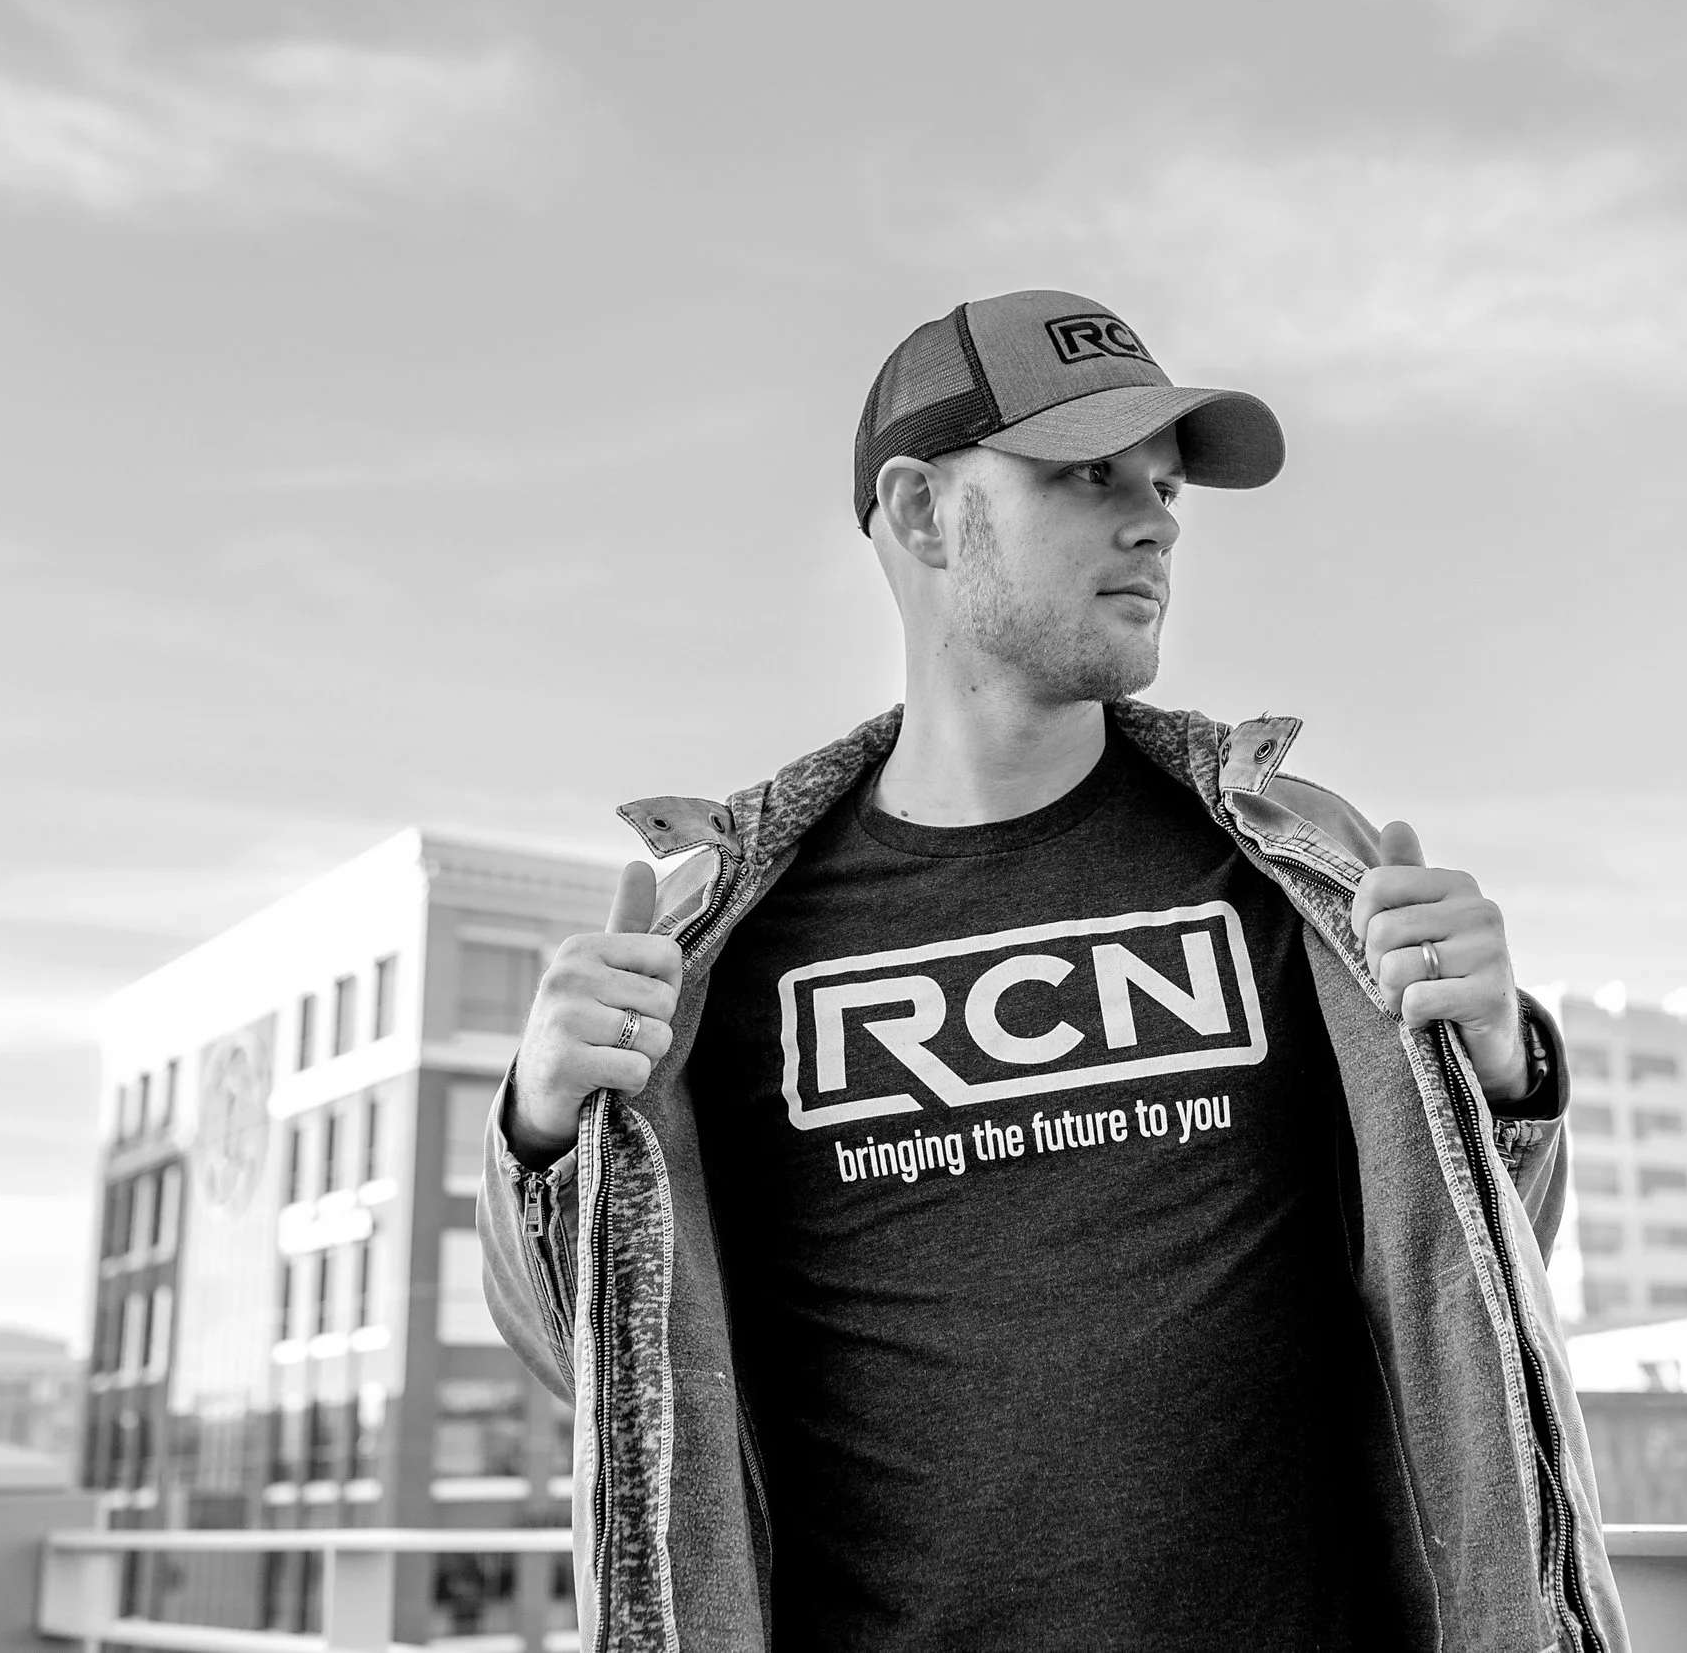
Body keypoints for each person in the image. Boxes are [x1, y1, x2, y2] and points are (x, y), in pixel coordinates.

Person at [479, 290, 1627, 1653]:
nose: (1155, 520)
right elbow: (594, 1359)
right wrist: (545, 1129)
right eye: (1086, 475)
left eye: (1160, 484)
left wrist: (1502, 1070)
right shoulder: (725, 945)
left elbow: (1471, 1312)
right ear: (918, 514)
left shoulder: (1295, 878)